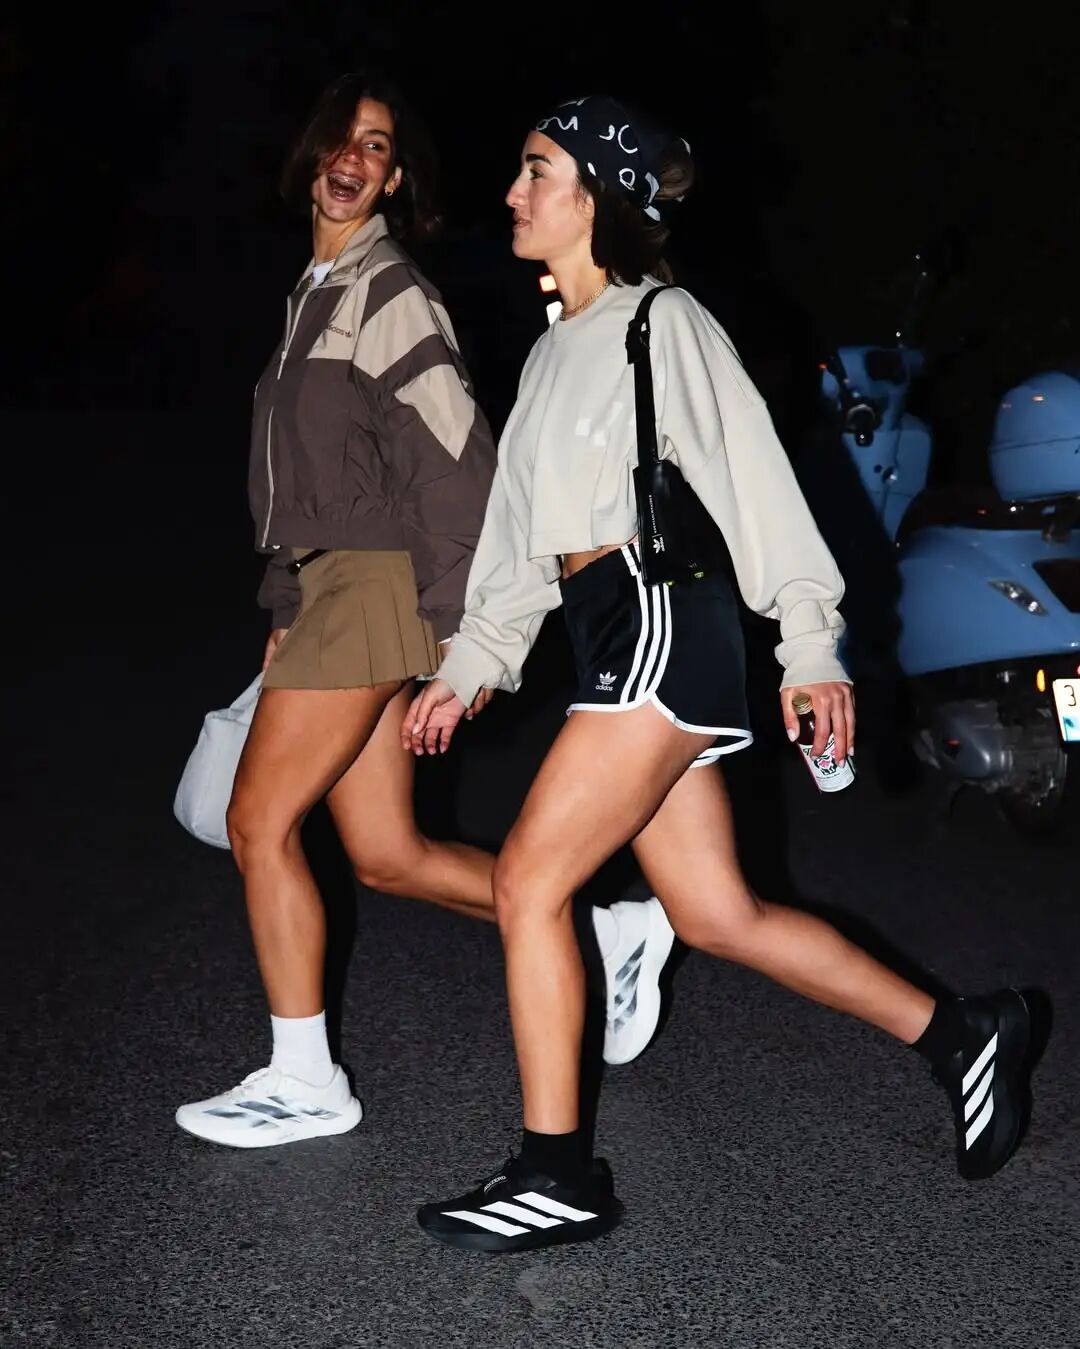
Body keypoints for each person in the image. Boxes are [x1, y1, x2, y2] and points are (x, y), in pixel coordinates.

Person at [403, 95, 1038, 1250]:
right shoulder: (549, 352)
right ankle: (964, 1032)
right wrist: (473, 663)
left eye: (537, 171)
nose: (513, 192)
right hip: (604, 625)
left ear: (596, 196)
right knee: (717, 909)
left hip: (660, 613)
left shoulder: (664, 322)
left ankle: (558, 1173)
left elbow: (756, 484)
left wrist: (809, 644)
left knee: (528, 881)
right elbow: (521, 542)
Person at [174, 74, 672, 1148]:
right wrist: (284, 598)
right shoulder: (315, 291)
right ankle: (610, 930)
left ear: (395, 179)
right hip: (331, 586)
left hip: (375, 584)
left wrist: (459, 632)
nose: (353, 159)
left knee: (260, 822)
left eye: (377, 147)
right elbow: (300, 483)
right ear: (310, 158)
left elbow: (457, 464)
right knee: (386, 852)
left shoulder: (388, 288)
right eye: (341, 140)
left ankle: (304, 1076)